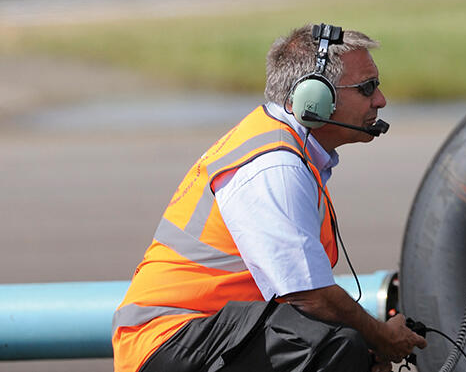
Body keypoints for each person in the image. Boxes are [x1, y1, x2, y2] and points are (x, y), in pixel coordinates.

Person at [112, 24, 426, 372]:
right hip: (171, 342)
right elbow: (309, 294)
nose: (380, 100)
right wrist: (380, 336)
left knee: (344, 342)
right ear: (314, 99)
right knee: (335, 346)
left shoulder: (286, 149)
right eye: (367, 88)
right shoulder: (273, 166)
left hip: (199, 337)